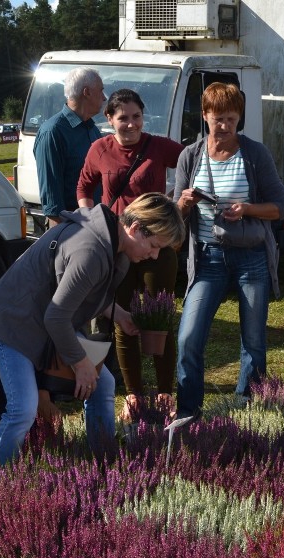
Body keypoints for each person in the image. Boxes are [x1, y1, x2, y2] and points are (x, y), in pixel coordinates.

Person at [0, 193, 185, 481]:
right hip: (14, 322)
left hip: (46, 317)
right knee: (23, 409)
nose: (153, 255)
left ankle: (103, 463)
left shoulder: (117, 247)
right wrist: (80, 362)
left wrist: (120, 315)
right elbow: (57, 316)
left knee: (104, 384)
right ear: (135, 227)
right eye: (153, 246)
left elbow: (84, 292)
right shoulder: (91, 250)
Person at [173, 82, 284, 420]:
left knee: (253, 340)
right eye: (218, 118)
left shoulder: (254, 154)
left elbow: (280, 207)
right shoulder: (190, 156)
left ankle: (247, 407)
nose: (224, 126)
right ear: (205, 116)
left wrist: (247, 209)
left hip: (251, 256)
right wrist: (182, 201)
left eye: (232, 119)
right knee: (188, 337)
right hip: (207, 257)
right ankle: (188, 411)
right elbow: (174, 214)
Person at [77, 89, 184, 420]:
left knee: (159, 318)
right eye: (123, 117)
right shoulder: (100, 149)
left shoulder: (159, 146)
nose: (131, 123)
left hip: (158, 249)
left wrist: (177, 206)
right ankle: (134, 395)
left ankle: (166, 393)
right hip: (118, 246)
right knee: (123, 319)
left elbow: (191, 163)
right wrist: (91, 220)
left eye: (136, 116)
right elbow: (83, 187)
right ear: (109, 119)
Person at [35, 67, 105, 228]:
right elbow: (53, 204)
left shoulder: (92, 129)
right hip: (69, 229)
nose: (104, 97)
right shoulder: (53, 131)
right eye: (101, 91)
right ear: (86, 92)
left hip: (94, 226)